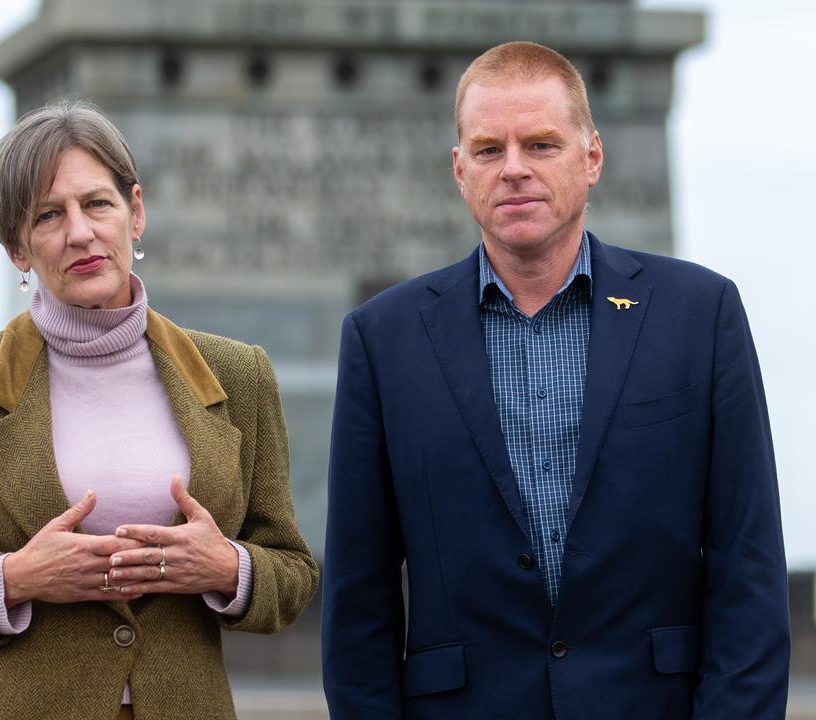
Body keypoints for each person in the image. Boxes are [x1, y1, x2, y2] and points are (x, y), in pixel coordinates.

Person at [321, 41, 790, 718]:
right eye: (488, 150)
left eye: (541, 145)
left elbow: (748, 565)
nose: (513, 169)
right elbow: (356, 601)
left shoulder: (699, 314)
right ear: (459, 169)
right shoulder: (382, 338)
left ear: (591, 157)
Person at [0, 100, 318, 720]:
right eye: (48, 216)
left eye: (97, 204)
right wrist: (15, 578)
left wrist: (226, 567)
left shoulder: (238, 375)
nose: (79, 233)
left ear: (136, 212)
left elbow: (292, 570)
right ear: (17, 250)